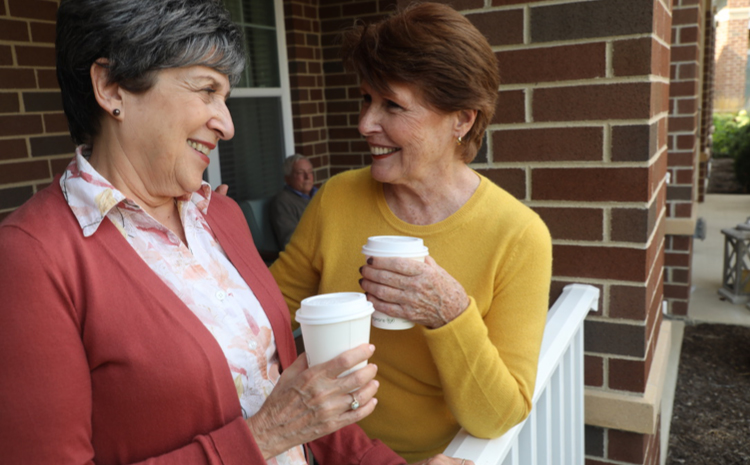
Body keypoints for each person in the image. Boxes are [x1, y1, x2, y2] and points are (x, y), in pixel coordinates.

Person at [0, 1, 468, 464]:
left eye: (225, 97)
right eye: (206, 90)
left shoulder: (220, 217)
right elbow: (284, 421)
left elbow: (303, 411)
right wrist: (260, 438)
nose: (227, 124)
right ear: (112, 87)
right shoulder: (33, 258)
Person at [270, 3, 553, 462]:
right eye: (366, 99)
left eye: (393, 106)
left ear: (462, 119)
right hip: (320, 448)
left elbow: (497, 416)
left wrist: (451, 312)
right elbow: (267, 314)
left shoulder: (518, 236)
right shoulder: (337, 198)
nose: (365, 125)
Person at [271, 154, 318, 248]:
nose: (307, 177)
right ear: (287, 178)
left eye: (310, 172)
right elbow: (290, 241)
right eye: (301, 173)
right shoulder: (283, 201)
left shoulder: (319, 195)